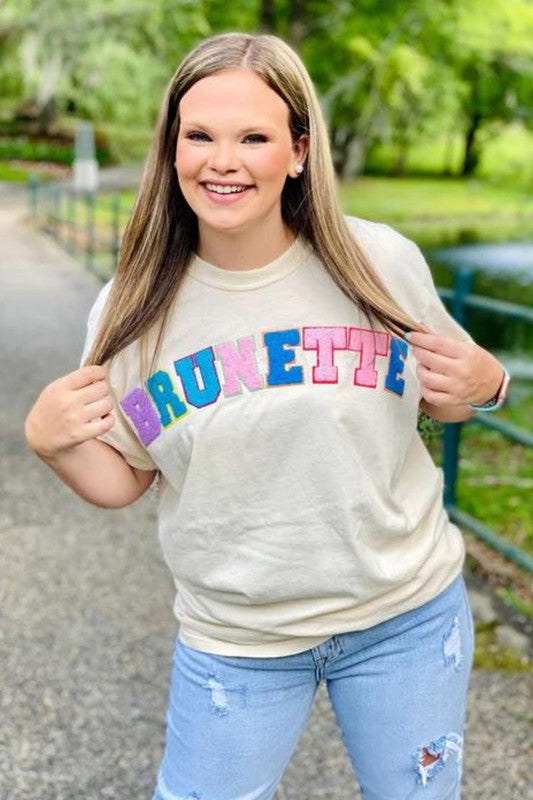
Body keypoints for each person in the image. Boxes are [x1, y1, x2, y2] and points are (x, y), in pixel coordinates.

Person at [25, 31, 509, 800]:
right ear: (171, 149)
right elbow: (123, 481)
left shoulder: (378, 262)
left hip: (405, 619)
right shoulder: (132, 309)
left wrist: (488, 387)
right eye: (200, 136)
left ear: (296, 151)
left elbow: (453, 396)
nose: (224, 159)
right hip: (238, 641)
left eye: (253, 136)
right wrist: (49, 443)